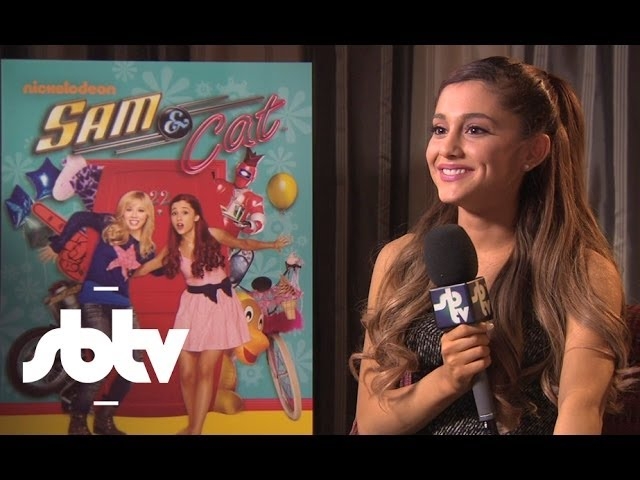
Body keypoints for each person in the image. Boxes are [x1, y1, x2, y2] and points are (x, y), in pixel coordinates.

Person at [348, 56, 639, 435]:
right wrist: (451, 377)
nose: (448, 148)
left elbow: (581, 410)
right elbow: (372, 423)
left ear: (533, 152)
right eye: (439, 129)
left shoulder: (583, 270)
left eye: (475, 130)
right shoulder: (399, 259)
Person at [134, 193, 291, 435]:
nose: (179, 217)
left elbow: (244, 245)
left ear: (196, 216)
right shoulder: (173, 248)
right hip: (192, 306)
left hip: (219, 304)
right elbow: (148, 267)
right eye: (174, 213)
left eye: (184, 212)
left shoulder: (213, 235)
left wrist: (272, 245)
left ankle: (195, 430)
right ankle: (193, 423)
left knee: (206, 370)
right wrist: (118, 272)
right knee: (186, 372)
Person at [39, 190, 160, 435]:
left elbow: (158, 271)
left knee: (133, 364)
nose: (134, 215)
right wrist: (59, 244)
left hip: (122, 304)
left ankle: (104, 418)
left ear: (148, 215)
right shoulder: (109, 225)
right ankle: (78, 419)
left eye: (140, 210)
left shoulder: (147, 247)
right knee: (101, 363)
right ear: (122, 211)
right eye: (129, 209)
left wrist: (170, 257)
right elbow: (80, 218)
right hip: (95, 301)